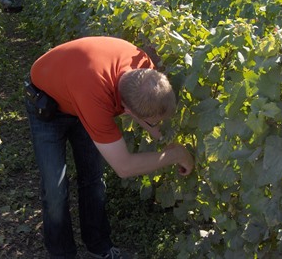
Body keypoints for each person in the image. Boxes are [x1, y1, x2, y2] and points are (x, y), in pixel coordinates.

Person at [25, 36, 194, 259]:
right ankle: (62, 254)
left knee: (93, 179)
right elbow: (123, 167)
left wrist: (160, 134)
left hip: (78, 85)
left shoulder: (144, 69)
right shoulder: (96, 98)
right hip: (48, 104)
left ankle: (98, 246)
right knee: (55, 188)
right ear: (126, 110)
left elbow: (147, 111)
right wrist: (175, 154)